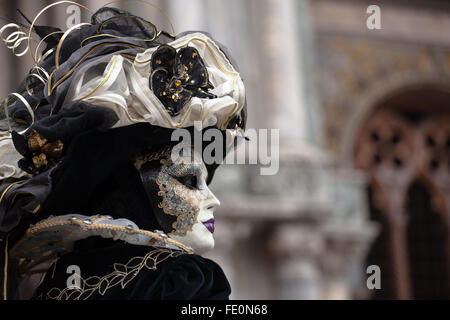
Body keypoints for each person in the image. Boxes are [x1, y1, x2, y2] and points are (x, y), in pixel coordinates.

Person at [0, 5, 246, 300]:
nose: (214, 200)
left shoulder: (57, 286)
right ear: (131, 190)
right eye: (190, 180)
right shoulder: (179, 281)